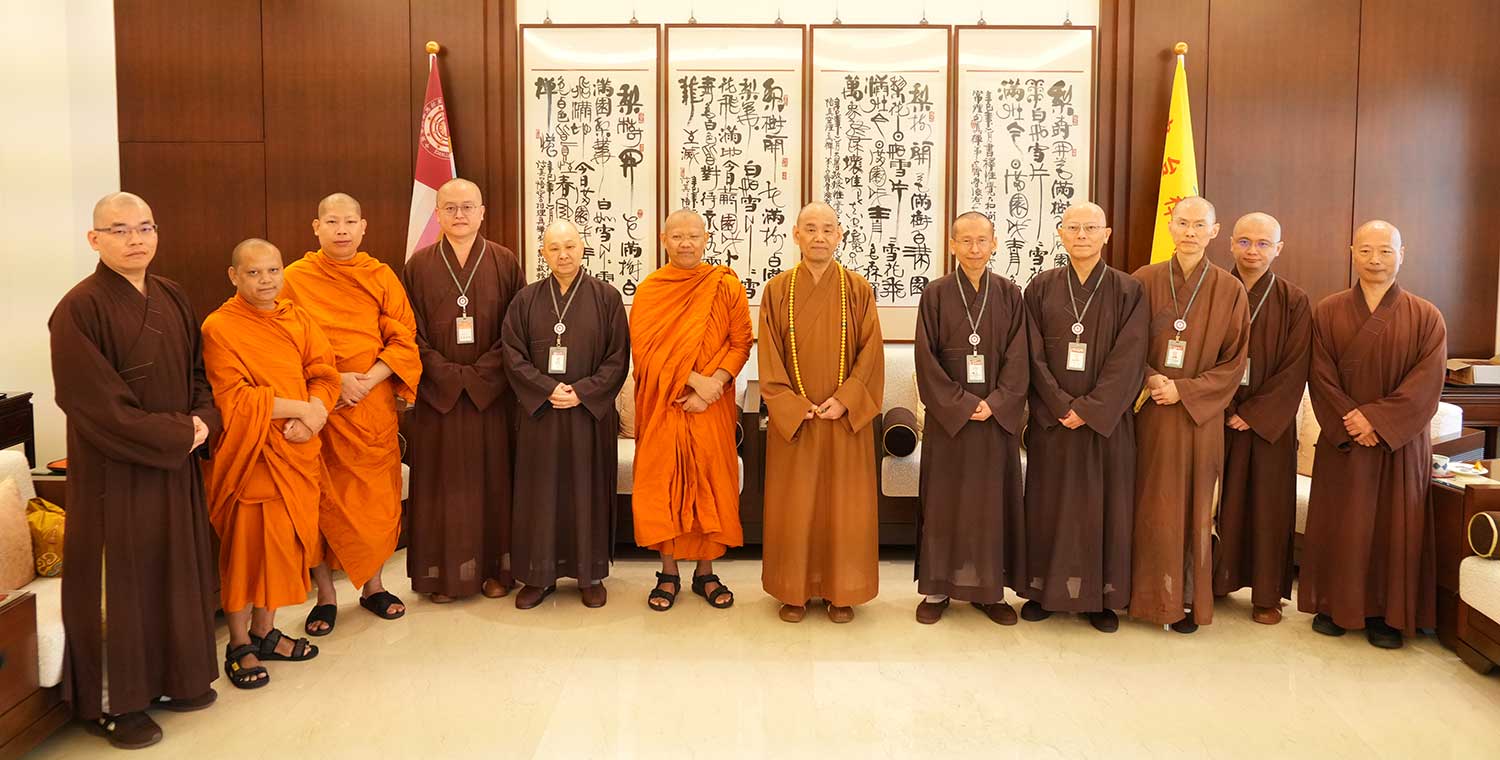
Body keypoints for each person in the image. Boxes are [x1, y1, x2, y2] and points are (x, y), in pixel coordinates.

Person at [49, 192, 220, 749]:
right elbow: (95, 404)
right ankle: (112, 704)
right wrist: (180, 433)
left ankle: (177, 679)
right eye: (120, 230)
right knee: (118, 584)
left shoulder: (171, 293)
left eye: (145, 227)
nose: (136, 239)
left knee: (172, 572)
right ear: (95, 240)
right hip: (114, 476)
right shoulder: (79, 307)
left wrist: (202, 420)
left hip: (173, 466)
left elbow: (199, 373)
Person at [1299, 220, 1446, 649]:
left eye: (1385, 251)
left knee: (1392, 527)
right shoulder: (1328, 310)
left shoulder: (1426, 315)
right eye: (1366, 250)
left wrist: (1377, 421)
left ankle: (1387, 613)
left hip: (1398, 445)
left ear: (1403, 254)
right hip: (1343, 439)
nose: (1375, 259)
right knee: (1340, 524)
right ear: (1351, 252)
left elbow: (1427, 383)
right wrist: (1352, 419)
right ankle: (1332, 605)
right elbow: (1319, 376)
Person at [282, 193, 422, 632]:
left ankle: (374, 587)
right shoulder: (294, 278)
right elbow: (283, 339)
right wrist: (334, 379)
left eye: (349, 222)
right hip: (318, 407)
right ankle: (325, 596)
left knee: (376, 498)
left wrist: (368, 378)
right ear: (316, 227)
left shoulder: (380, 277)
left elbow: (404, 337)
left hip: (370, 405)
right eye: (332, 221)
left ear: (364, 228)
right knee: (318, 501)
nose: (341, 230)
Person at [201, 239, 333, 690]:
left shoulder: (296, 317)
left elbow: (324, 372)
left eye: (273, 271)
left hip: (296, 449)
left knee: (281, 549)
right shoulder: (219, 327)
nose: (265, 281)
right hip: (250, 455)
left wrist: (315, 413)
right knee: (245, 554)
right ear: (233, 275)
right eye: (254, 273)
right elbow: (233, 399)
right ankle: (238, 643)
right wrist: (303, 409)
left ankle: (265, 630)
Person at [1019, 202, 1149, 633]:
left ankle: (1101, 598)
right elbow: (1031, 355)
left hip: (1105, 423)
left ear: (1106, 234)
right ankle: (1042, 591)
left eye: (1090, 228)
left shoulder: (1129, 290)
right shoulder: (1039, 287)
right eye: (1073, 227)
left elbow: (1129, 358)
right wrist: (1059, 406)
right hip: (1053, 422)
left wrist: (1090, 409)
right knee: (1048, 505)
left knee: (1104, 506)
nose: (1081, 235)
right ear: (1060, 233)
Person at [758, 202, 885, 624]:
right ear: (795, 234)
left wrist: (846, 399)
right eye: (810, 228)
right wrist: (793, 406)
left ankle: (840, 590)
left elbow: (871, 354)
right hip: (798, 419)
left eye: (827, 229)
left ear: (840, 235)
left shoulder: (858, 289)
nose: (818, 236)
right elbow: (770, 359)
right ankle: (793, 590)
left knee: (844, 505)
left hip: (843, 418)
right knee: (794, 505)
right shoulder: (777, 290)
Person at [402, 179, 525, 603]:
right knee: (442, 489)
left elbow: (515, 331)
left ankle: (494, 571)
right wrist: (448, 375)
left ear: (482, 212)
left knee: (491, 485)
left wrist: (478, 376)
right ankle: (443, 577)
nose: (459, 215)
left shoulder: (505, 261)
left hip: (490, 397)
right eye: (450, 207)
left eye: (467, 207)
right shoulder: (417, 265)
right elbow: (408, 333)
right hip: (439, 398)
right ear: (437, 213)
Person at [1130, 196, 1249, 633]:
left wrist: (1182, 390)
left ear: (1215, 231)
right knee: (1149, 506)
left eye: (1200, 224)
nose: (1191, 232)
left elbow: (1235, 363)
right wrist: (1150, 379)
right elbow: (1125, 347)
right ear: (1171, 226)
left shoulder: (1230, 289)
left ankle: (1183, 602)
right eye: (1183, 223)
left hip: (1200, 418)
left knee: (1196, 510)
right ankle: (1142, 598)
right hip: (1149, 415)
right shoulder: (1143, 280)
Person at [501, 220, 630, 609]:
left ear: (583, 248)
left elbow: (617, 357)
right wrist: (547, 389)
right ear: (543, 254)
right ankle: (538, 576)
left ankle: (590, 574)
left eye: (570, 246)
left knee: (587, 489)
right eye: (554, 248)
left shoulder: (606, 298)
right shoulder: (525, 300)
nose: (563, 254)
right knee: (539, 494)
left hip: (588, 416)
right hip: (540, 415)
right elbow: (512, 354)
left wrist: (582, 393)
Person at [630, 209, 753, 611]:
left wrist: (713, 385)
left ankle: (705, 572)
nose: (686, 243)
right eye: (678, 236)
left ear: (706, 239)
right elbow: (645, 353)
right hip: (667, 403)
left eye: (693, 236)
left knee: (710, 479)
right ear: (664, 240)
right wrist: (695, 381)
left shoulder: (725, 286)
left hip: (711, 406)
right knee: (665, 481)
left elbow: (741, 342)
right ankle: (668, 573)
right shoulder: (651, 290)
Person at [911, 211, 1029, 625]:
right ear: (952, 244)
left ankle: (989, 590)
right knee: (945, 504)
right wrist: (961, 405)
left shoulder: (1011, 294)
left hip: (996, 423)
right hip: (950, 424)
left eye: (982, 240)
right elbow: (926, 361)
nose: (975, 248)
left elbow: (1020, 358)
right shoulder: (937, 294)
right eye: (966, 240)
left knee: (991, 506)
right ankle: (938, 589)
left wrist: (995, 403)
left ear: (995, 243)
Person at [1212, 212, 1312, 624]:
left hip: (1269, 422)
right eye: (1245, 242)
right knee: (1213, 503)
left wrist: (1252, 414)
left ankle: (1266, 595)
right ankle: (1213, 582)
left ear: (1278, 249)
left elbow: (1297, 367)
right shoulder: (1213, 289)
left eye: (1263, 243)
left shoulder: (1294, 300)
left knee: (1267, 505)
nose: (1253, 251)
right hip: (1214, 412)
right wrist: (1221, 405)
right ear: (1230, 243)